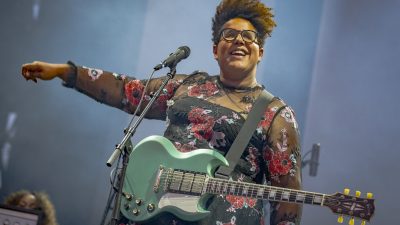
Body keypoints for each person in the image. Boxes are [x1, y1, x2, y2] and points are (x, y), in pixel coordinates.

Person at [21, 0, 302, 224]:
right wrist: (66, 72)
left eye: (249, 36)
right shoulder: (188, 84)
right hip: (152, 212)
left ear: (260, 52)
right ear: (216, 50)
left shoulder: (276, 113)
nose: (239, 40)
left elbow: (287, 199)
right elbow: (127, 91)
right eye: (229, 34)